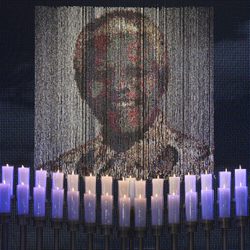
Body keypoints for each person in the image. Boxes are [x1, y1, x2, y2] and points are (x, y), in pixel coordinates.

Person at [44, 10, 213, 178]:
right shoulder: (59, 175)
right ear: (83, 88)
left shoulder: (204, 168)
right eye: (102, 73)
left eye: (137, 72)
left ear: (162, 81)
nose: (119, 86)